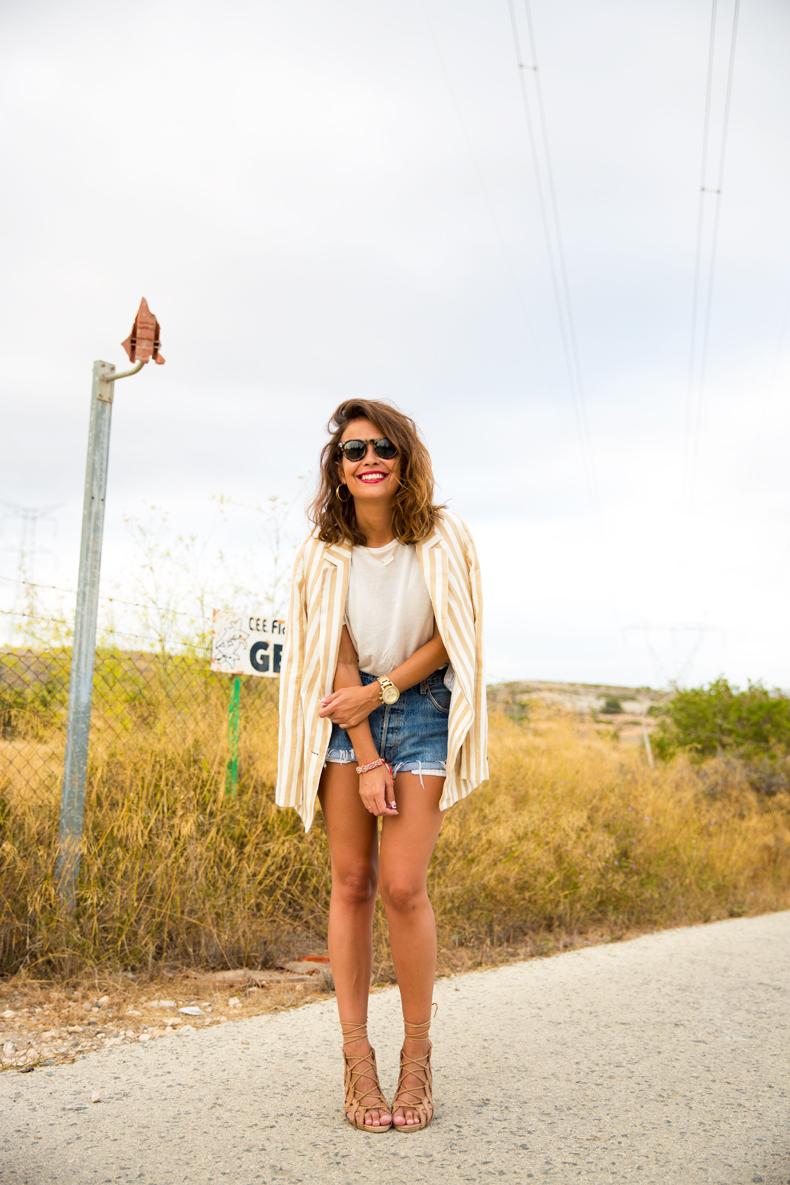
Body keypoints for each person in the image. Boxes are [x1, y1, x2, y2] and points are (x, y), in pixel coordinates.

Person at [275, 397, 488, 1133]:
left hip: (422, 709)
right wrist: (365, 753)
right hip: (347, 720)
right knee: (351, 882)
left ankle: (417, 1056)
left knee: (402, 886)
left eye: (383, 448)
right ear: (337, 468)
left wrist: (384, 691)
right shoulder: (322, 553)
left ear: (404, 459)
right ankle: (357, 1057)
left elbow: (455, 634)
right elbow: (334, 656)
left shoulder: (444, 537)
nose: (369, 460)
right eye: (353, 450)